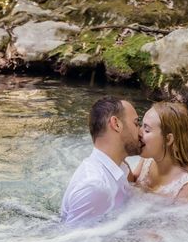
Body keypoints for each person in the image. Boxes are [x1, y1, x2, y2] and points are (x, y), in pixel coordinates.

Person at [61, 96, 143, 225]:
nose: (141, 132)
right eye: (136, 123)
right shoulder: (95, 186)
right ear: (116, 124)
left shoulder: (122, 167)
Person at [132, 101, 188, 201]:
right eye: (141, 125)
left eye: (147, 130)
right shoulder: (146, 161)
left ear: (168, 139)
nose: (139, 132)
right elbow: (129, 185)